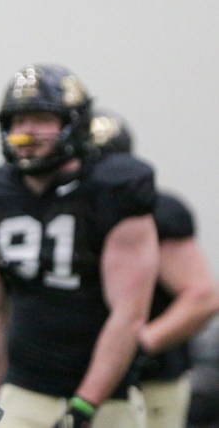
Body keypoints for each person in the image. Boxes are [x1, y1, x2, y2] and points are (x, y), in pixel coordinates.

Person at [0, 63, 159, 428]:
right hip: (25, 391)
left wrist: (85, 405)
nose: (25, 132)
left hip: (106, 399)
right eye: (17, 121)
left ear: (76, 124)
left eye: (40, 119)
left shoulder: (114, 190)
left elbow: (128, 313)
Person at [90, 109, 219, 428]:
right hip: (67, 374)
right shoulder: (52, 209)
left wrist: (139, 343)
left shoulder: (155, 211)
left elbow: (202, 297)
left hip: (149, 381)